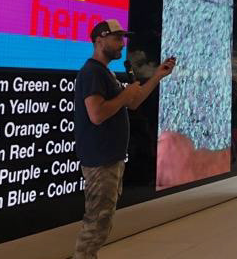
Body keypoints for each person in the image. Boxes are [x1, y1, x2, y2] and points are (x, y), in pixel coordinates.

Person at [74, 19, 176, 259]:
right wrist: (125, 95)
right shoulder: (91, 72)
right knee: (96, 225)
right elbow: (97, 114)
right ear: (100, 40)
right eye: (117, 38)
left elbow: (134, 101)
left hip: (110, 159)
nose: (122, 44)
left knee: (102, 222)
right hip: (100, 161)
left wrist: (157, 76)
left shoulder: (106, 73)